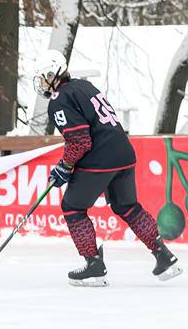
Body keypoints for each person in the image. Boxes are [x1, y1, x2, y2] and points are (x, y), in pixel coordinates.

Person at [34, 50, 180, 285]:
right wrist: (67, 166)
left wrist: (65, 166)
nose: (41, 83)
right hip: (124, 153)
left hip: (100, 158)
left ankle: (94, 265)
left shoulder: (59, 99)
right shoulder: (84, 86)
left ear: (53, 75)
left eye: (43, 78)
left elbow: (80, 141)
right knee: (127, 206)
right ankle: (164, 256)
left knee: (72, 207)